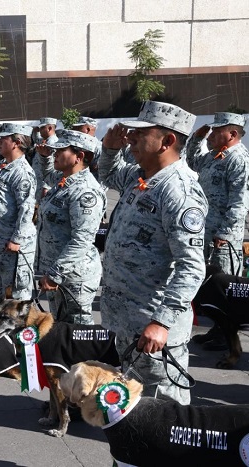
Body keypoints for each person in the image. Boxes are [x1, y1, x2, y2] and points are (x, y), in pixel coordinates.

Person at [99, 101, 207, 405]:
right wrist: (108, 148)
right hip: (127, 321)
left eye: (141, 133)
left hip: (153, 326)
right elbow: (107, 175)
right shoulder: (141, 177)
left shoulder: (178, 191)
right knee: (133, 406)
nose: (131, 138)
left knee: (165, 410)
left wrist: (162, 322)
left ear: (167, 141)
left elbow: (191, 267)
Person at [185, 112, 249, 350]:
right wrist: (196, 139)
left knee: (225, 289)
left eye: (216, 131)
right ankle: (218, 329)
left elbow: (240, 202)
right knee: (209, 287)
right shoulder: (214, 156)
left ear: (232, 134)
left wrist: (224, 232)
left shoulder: (239, 159)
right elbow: (191, 160)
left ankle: (227, 337)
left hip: (223, 237)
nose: (211, 134)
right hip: (204, 231)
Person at [36, 130, 107, 324]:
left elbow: (81, 240)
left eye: (61, 150)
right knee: (61, 329)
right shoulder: (64, 182)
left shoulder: (85, 191)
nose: (55, 154)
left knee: (76, 336)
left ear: (79, 156)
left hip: (74, 276)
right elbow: (48, 175)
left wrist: (55, 274)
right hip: (58, 273)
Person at [0, 123, 37, 305]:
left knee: (15, 299)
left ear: (16, 142)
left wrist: (17, 239)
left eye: (3, 138)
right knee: (0, 294)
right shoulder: (2, 166)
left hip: (11, 245)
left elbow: (26, 209)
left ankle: (19, 333)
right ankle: (5, 332)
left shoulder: (22, 172)